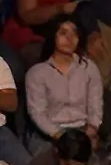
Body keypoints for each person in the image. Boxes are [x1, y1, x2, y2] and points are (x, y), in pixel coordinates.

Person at [24, 15, 102, 153]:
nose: (69, 38)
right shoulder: (37, 73)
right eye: (63, 33)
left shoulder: (89, 68)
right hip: (49, 134)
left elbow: (95, 104)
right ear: (53, 37)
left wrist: (90, 132)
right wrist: (61, 137)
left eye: (74, 34)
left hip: (81, 130)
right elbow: (38, 113)